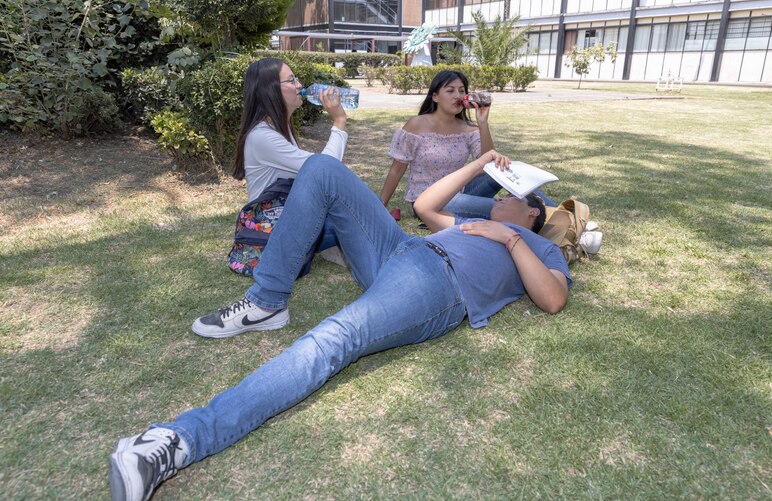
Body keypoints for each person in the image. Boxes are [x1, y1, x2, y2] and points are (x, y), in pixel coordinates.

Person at [108, 151, 571, 501]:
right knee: (322, 169)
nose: (501, 198)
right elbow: (426, 205)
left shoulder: (536, 247)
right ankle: (268, 300)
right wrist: (482, 162)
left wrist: (509, 237)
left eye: (511, 197)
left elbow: (552, 299)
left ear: (533, 212)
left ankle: (175, 441)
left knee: (335, 338)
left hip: (437, 284)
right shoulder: (469, 221)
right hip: (401, 249)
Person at [378, 70, 555, 221]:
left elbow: (488, 162)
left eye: (461, 91)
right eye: (450, 90)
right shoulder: (416, 125)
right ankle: (557, 218)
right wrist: (380, 206)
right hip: (428, 200)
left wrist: (483, 123)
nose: (458, 95)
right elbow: (396, 170)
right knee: (506, 208)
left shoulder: (467, 128)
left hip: (462, 192)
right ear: (435, 96)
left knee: (506, 168)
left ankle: (562, 212)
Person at [229, 57, 348, 280]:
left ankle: (336, 246)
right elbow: (325, 168)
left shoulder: (278, 128)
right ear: (270, 90)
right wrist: (339, 121)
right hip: (276, 230)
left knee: (349, 210)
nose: (300, 85)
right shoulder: (262, 137)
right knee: (352, 217)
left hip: (287, 221)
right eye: (291, 80)